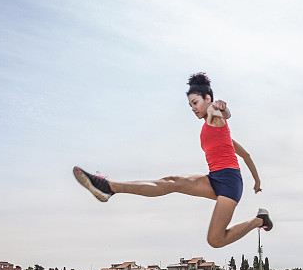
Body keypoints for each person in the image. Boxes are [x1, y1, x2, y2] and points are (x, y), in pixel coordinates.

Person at [73, 72, 272, 248]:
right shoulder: (216, 131)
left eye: (195, 103)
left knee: (215, 240)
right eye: (190, 105)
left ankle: (258, 220)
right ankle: (109, 187)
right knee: (172, 181)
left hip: (230, 183)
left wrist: (222, 108)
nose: (192, 108)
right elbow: (245, 155)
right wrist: (257, 181)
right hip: (213, 178)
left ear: (208, 99)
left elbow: (223, 113)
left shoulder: (214, 116)